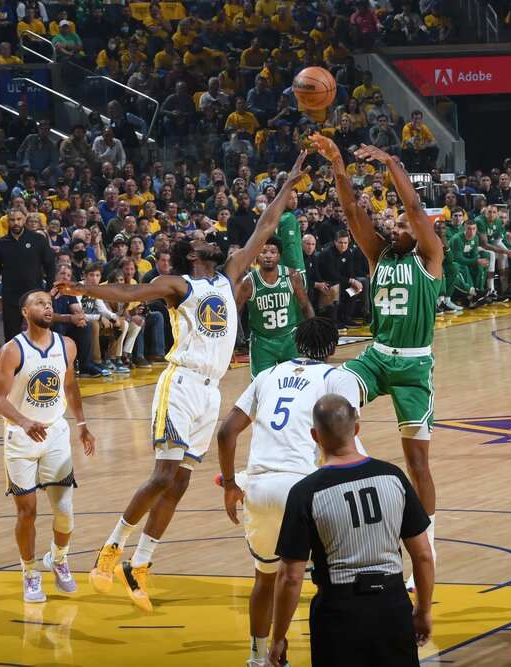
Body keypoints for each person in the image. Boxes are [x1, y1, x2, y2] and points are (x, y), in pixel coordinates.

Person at [54, 151, 310, 612]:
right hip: (182, 381)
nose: (209, 236)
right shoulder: (179, 285)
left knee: (180, 484)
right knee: (162, 475)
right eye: (200, 237)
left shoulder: (230, 276)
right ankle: (112, 548)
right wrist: (87, 290)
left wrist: (288, 184)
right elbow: (130, 293)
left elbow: (265, 227)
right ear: (194, 254)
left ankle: (142, 565)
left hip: (211, 390)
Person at [311, 134, 443, 591]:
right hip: (376, 357)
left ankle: (426, 542)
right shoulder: (377, 254)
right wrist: (337, 165)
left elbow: (411, 204)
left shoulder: (430, 256)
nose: (397, 225)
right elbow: (351, 213)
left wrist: (389, 160)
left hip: (412, 367)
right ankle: (355, 469)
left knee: (417, 463)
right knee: (331, 395)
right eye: (395, 224)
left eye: (404, 224)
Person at [216, 318, 363, 667]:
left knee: (265, 579)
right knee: (331, 577)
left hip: (260, 486)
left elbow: (226, 434)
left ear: (297, 342)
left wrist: (231, 483)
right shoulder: (335, 377)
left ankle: (256, 656)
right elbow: (344, 440)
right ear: (332, 348)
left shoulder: (267, 375)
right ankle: (337, 650)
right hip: (304, 486)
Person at [266, 394, 434, 667]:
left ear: (314, 435)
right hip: (392, 605)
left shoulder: (305, 493)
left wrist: (278, 637)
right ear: (356, 429)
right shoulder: (393, 477)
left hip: (339, 614)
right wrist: (423, 610)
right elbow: (424, 556)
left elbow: (290, 577)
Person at [0, 290, 96, 602]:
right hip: (20, 437)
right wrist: (23, 421)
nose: (47, 307)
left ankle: (59, 559)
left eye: (49, 304)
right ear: (24, 312)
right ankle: (29, 572)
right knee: (27, 512)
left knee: (64, 511)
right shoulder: (12, 350)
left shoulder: (67, 345)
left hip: (55, 433)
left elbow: (70, 385)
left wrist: (82, 425)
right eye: (39, 303)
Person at [236, 237, 314, 378]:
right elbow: (235, 311)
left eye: (273, 252)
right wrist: (235, 339)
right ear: (257, 256)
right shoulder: (248, 282)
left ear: (279, 255)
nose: (268, 255)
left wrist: (314, 330)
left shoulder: (292, 275)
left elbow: (305, 305)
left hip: (290, 339)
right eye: (263, 252)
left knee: (296, 382)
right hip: (262, 343)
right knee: (261, 387)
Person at [0, 208, 57, 341]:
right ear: (7, 221)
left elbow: (50, 265)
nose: (16, 223)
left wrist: (49, 291)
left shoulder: (38, 239)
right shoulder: (1, 243)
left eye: (19, 219)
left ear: (24, 219)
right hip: (11, 296)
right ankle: (16, 362)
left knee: (41, 332)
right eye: (12, 220)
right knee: (12, 336)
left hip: (34, 295)